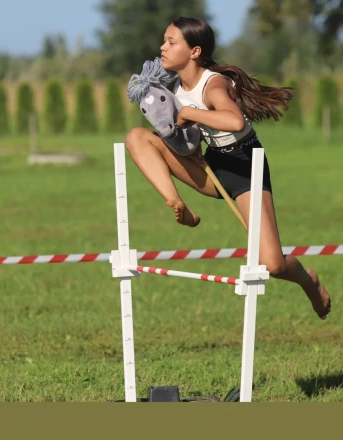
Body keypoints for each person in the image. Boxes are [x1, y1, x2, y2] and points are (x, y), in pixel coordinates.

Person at [124, 17, 331, 320]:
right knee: (136, 137)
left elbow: (234, 122)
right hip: (210, 164)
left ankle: (308, 280)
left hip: (246, 166)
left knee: (273, 264)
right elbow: (176, 129)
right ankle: (179, 204)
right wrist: (187, 146)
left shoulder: (214, 84)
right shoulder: (173, 88)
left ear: (195, 52)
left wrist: (191, 113)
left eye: (171, 42)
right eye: (164, 41)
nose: (162, 48)